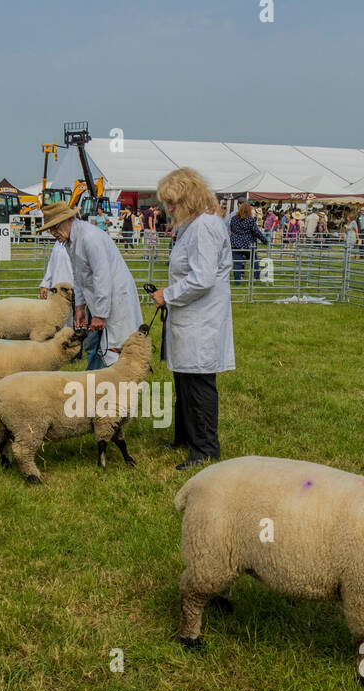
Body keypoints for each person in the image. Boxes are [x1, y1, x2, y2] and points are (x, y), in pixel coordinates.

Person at [150, 168, 233, 471]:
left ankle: (206, 449)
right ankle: (185, 439)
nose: (168, 209)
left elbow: (202, 279)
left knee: (198, 383)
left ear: (189, 198)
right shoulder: (193, 225)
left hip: (202, 319)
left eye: (172, 203)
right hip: (191, 317)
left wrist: (168, 295)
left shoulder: (204, 227)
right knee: (184, 380)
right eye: (166, 203)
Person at [39, 200, 141, 371]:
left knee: (116, 348)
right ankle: (103, 389)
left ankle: (119, 392)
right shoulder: (72, 241)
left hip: (116, 299)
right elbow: (78, 276)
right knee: (104, 347)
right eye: (50, 229)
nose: (52, 233)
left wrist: (100, 314)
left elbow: (102, 277)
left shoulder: (90, 238)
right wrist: (79, 307)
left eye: (54, 227)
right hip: (101, 299)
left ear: (67, 220)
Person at [228, 202, 268, 282]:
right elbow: (256, 231)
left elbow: (232, 229)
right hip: (248, 244)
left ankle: (237, 281)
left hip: (236, 243)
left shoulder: (234, 219)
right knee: (254, 260)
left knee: (237, 263)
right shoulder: (250, 220)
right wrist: (264, 240)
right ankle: (257, 275)